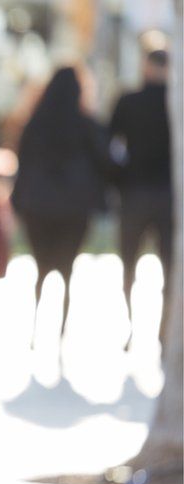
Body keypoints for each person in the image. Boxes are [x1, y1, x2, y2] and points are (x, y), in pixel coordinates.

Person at [12, 66, 110, 348]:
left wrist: (18, 202)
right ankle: (60, 333)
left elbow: (23, 164)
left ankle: (36, 328)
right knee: (66, 271)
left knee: (41, 270)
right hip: (74, 208)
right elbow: (105, 161)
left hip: (38, 206)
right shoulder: (85, 123)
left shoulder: (36, 122)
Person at [109, 49, 172, 348]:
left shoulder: (130, 101)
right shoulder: (171, 101)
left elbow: (108, 144)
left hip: (137, 192)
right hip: (163, 194)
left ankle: (143, 329)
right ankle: (160, 331)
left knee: (131, 265)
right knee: (167, 268)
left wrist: (118, 178)